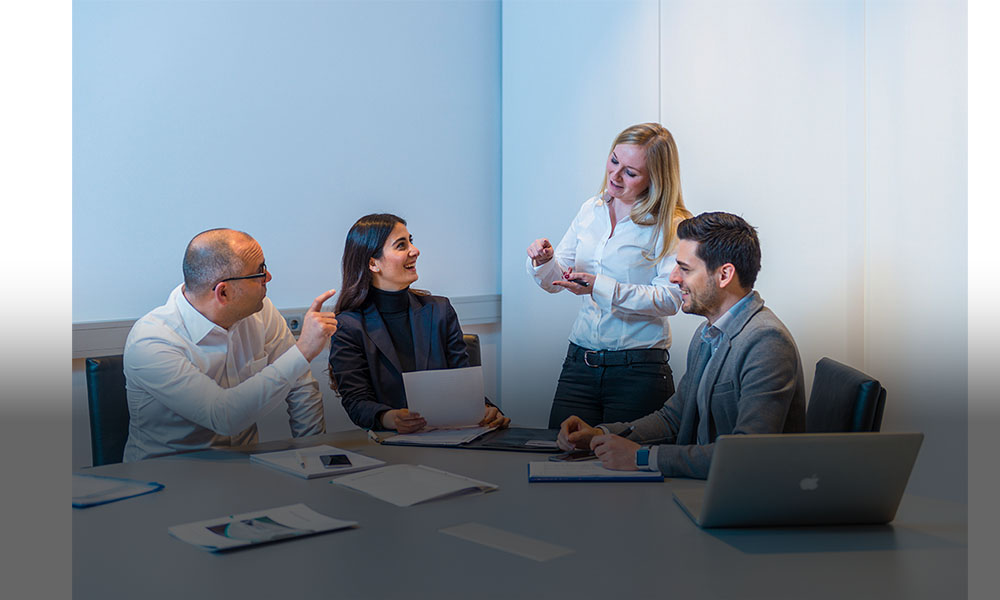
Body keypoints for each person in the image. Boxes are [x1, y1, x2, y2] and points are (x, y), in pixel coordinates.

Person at [556, 212, 806, 479]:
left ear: (724, 275)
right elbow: (673, 418)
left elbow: (747, 455)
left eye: (685, 269)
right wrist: (602, 433)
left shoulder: (765, 341)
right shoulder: (707, 334)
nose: (673, 278)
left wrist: (643, 457)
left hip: (747, 503)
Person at [527, 122, 693, 428]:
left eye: (630, 172)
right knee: (558, 459)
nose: (615, 176)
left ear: (654, 178)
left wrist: (599, 287)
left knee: (625, 469)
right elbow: (555, 279)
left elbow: (671, 298)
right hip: (579, 363)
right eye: (614, 160)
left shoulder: (671, 224)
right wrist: (544, 260)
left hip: (638, 372)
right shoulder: (591, 209)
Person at [122, 228, 337, 461]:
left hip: (246, 467)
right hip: (169, 477)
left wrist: (314, 455)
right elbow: (223, 417)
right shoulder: (152, 340)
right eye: (260, 271)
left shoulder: (260, 311)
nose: (269, 278)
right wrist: (303, 350)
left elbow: (300, 387)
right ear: (223, 292)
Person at [328, 213, 510, 433]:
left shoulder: (440, 310)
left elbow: (463, 388)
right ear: (373, 263)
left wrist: (487, 409)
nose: (415, 251)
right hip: (391, 445)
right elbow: (356, 403)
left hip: (451, 437)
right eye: (401, 245)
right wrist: (390, 418)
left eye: (411, 241)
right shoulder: (349, 326)